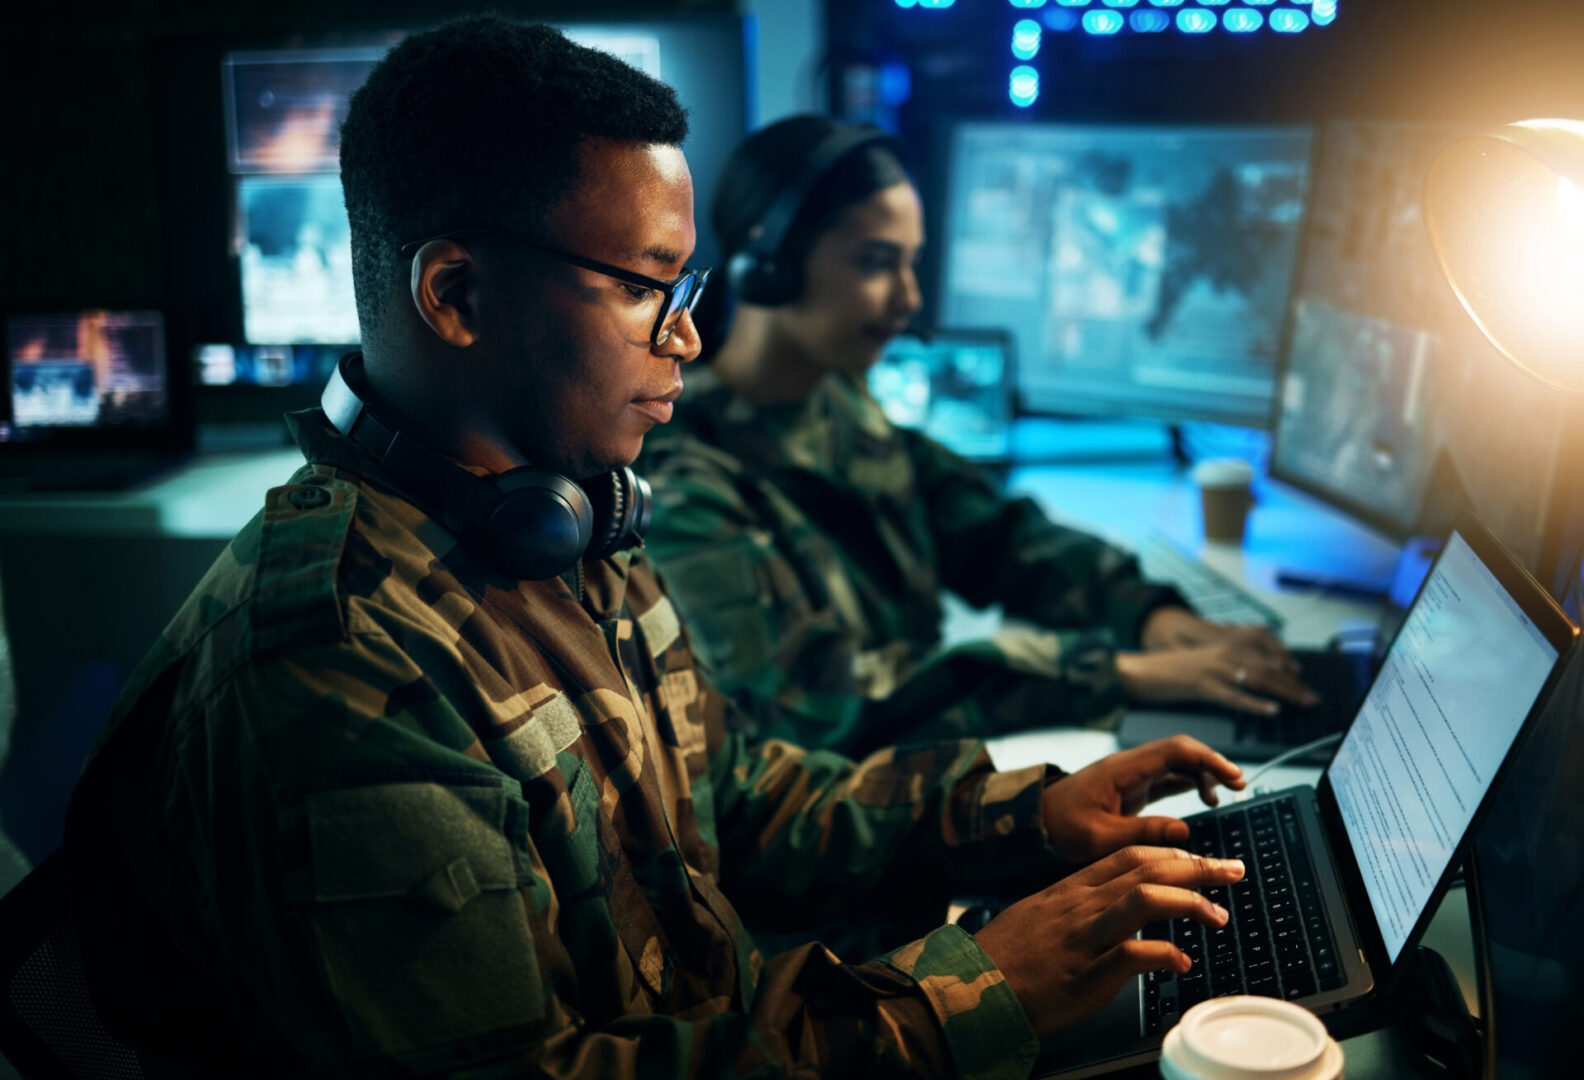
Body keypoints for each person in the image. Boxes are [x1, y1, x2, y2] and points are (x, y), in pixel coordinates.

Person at [64, 20, 1251, 1078]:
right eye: (644, 286)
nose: (687, 332)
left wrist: (1020, 818)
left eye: (685, 283)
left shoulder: (560, 512)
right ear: (459, 295)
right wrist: (970, 993)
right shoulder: (336, 668)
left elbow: (730, 792)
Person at [637, 115, 1318, 758]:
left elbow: (995, 535)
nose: (908, 299)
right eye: (876, 263)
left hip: (928, 785)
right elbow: (815, 703)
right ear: (770, 261)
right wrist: (1120, 674)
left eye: (911, 263)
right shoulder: (680, 479)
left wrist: (1147, 615)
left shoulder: (836, 397)